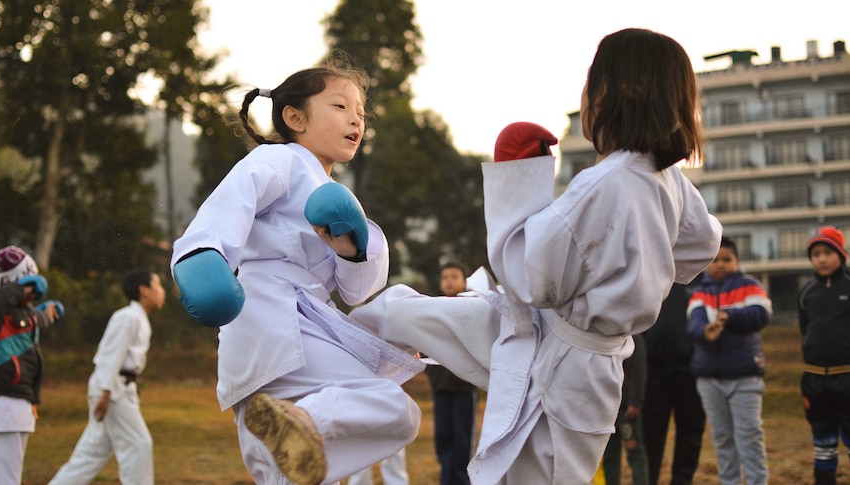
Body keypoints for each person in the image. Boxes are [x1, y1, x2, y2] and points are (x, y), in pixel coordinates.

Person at [350, 27, 722, 484]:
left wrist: (518, 181)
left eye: (591, 82)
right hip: (578, 353)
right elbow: (702, 246)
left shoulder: (607, 182)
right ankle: (327, 373)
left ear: (619, 91)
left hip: (565, 361)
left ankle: (324, 372)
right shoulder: (668, 182)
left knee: (537, 477)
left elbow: (530, 279)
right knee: (412, 312)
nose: (585, 95)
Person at [170, 56, 424, 485]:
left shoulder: (337, 194)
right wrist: (202, 257)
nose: (356, 120)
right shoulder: (279, 160)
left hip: (300, 332)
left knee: (297, 474)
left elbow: (357, 290)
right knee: (394, 409)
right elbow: (233, 202)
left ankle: (299, 422)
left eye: (361, 113)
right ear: (294, 117)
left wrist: (352, 249)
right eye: (341, 107)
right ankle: (306, 420)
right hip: (271, 314)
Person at [49, 269, 166, 485]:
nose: (162, 292)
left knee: (91, 454)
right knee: (138, 444)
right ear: (143, 290)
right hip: (113, 391)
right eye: (158, 286)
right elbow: (110, 355)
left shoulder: (138, 318)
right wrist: (105, 391)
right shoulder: (127, 317)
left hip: (118, 389)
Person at [687, 236, 771, 485]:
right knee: (722, 438)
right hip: (709, 379)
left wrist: (728, 316)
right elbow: (693, 324)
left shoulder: (750, 286)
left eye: (727, 259)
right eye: (715, 260)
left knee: (750, 436)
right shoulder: (699, 292)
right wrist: (705, 331)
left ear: (737, 261)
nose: (720, 264)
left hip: (745, 376)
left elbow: (761, 314)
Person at [0, 245, 63, 485]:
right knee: (3, 479)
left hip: (18, 406)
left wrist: (46, 313)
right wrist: (21, 287)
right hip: (3, 406)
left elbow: (33, 320)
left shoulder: (18, 316)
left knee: (8, 476)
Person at [798, 226, 850, 485]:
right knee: (823, 443)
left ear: (841, 254)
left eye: (827, 252)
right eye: (816, 253)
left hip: (847, 377)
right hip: (815, 380)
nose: (821, 258)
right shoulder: (807, 293)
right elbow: (804, 329)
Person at [642, 281, 706, 485]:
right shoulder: (652, 275)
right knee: (650, 433)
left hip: (690, 371)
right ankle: (647, 479)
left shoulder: (700, 280)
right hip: (652, 372)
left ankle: (682, 480)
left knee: (690, 431)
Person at [426, 262, 477, 485]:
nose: (448, 280)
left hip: (464, 389)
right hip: (441, 390)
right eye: (445, 276)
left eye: (454, 276)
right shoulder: (434, 310)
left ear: (464, 282)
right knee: (443, 440)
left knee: (461, 444)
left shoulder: (473, 309)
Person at [601, 333, 649, 485]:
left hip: (627, 409)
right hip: (608, 409)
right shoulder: (605, 336)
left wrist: (635, 401)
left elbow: (639, 371)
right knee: (609, 454)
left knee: (634, 452)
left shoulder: (634, 338)